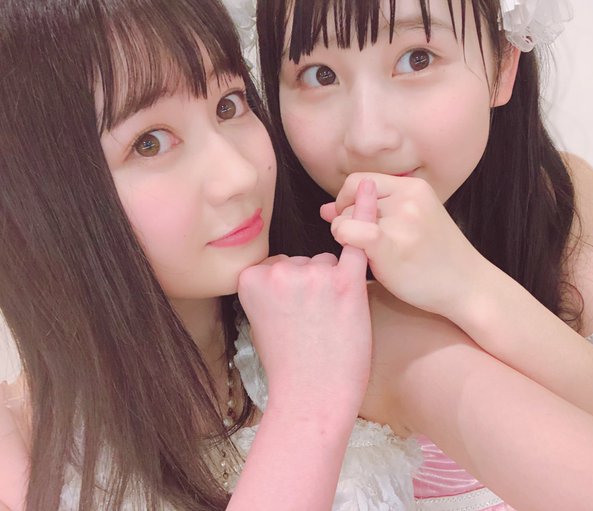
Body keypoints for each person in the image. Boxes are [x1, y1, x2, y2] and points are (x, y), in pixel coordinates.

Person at [247, 0, 593, 509]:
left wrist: (470, 285)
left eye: (417, 59)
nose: (368, 136)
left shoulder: (557, 198)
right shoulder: (267, 272)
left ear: (503, 65)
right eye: (320, 74)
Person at [0, 0, 379, 509]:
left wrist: (460, 283)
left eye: (228, 105)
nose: (239, 175)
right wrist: (308, 407)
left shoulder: (343, 321)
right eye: (150, 143)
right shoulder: (20, 456)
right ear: (36, 204)